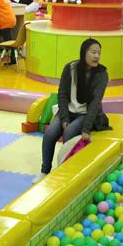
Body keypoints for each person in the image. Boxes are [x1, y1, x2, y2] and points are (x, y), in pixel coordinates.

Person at [34, 38, 111, 183]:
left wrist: (86, 128)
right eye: (93, 52)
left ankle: (64, 173)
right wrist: (64, 118)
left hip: (85, 114)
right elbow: (62, 93)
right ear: (84, 53)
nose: (97, 56)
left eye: (99, 53)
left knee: (69, 133)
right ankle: (44, 171)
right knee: (50, 134)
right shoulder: (70, 68)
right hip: (67, 111)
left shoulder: (102, 74)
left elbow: (95, 103)